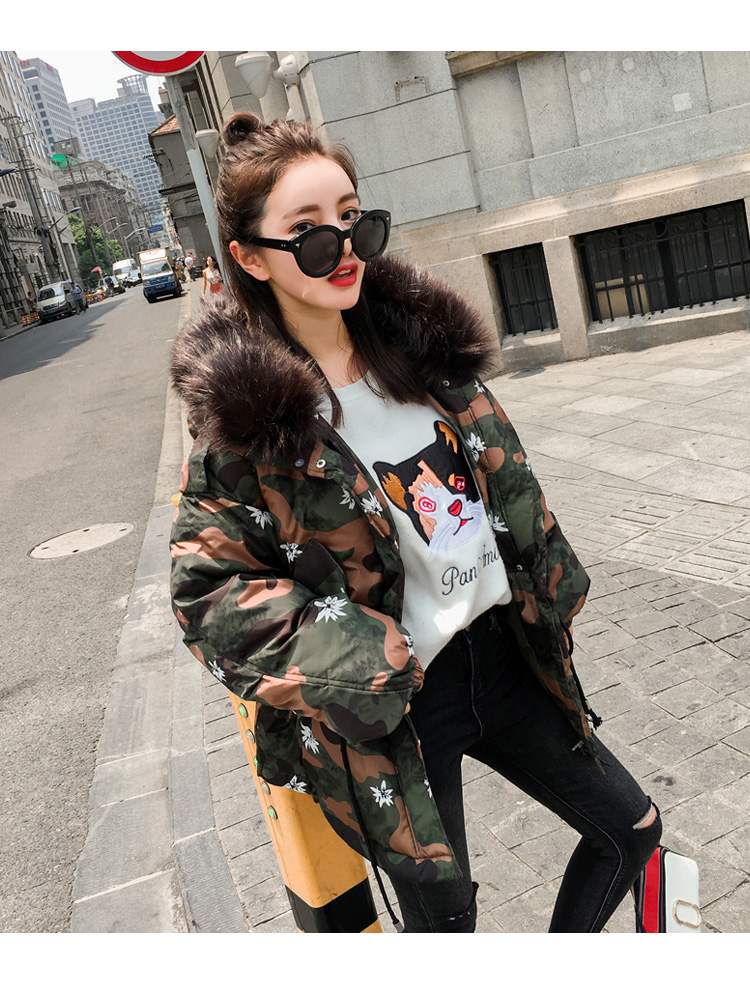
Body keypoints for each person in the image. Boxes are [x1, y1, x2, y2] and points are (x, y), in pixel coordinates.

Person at [169, 112, 661, 934]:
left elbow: (501, 487)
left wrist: (543, 576)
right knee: (448, 925)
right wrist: (356, 655)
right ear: (250, 257)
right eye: (309, 234)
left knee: (632, 830)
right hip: (398, 705)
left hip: (503, 655)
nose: (343, 248)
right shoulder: (250, 423)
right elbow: (207, 595)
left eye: (353, 220)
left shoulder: (423, 352)